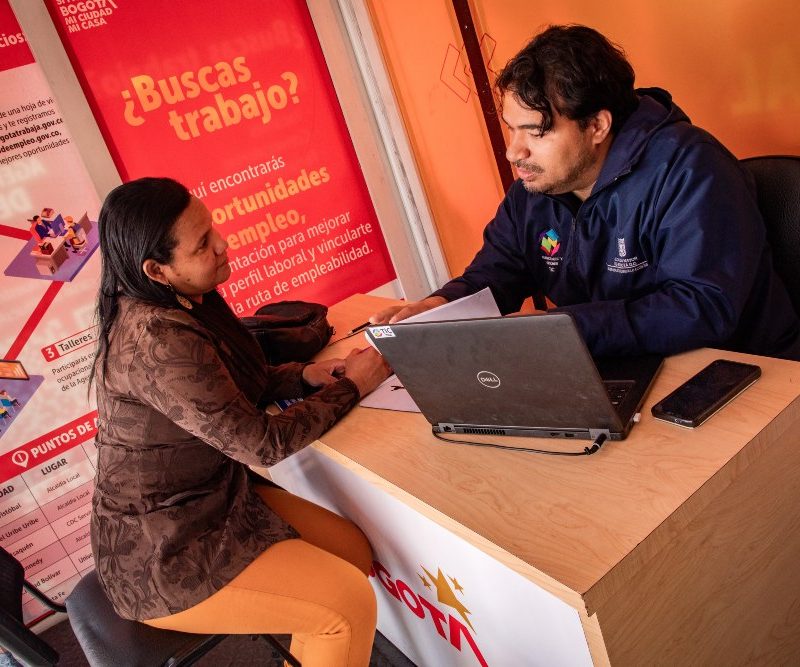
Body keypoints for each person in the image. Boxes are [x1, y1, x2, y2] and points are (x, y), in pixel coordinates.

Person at [90, 177, 390, 667]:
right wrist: (353, 385)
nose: (224, 243)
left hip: (216, 502)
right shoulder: (156, 339)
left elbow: (228, 387)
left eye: (212, 228)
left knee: (350, 554)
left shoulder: (185, 298)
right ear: (157, 270)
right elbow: (261, 445)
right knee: (345, 606)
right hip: (163, 550)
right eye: (204, 242)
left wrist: (306, 375)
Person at [371, 25, 800, 360]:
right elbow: (496, 273)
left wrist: (566, 328)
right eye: (510, 128)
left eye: (535, 132)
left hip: (749, 376)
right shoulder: (537, 184)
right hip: (629, 368)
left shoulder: (691, 169)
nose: (512, 151)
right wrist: (441, 304)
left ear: (597, 126)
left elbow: (703, 306)